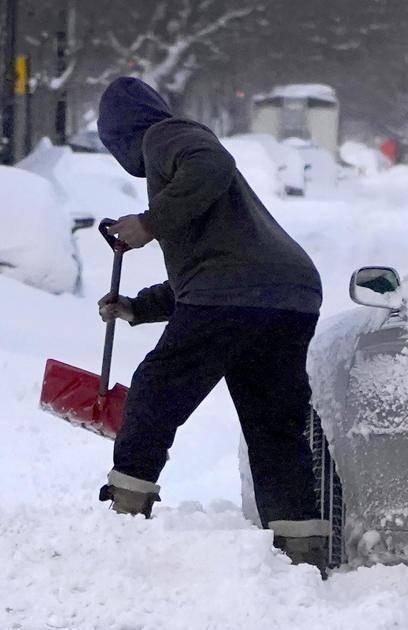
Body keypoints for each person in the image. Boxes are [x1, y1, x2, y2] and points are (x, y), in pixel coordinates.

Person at [94, 77, 329, 571]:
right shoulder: (179, 168)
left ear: (119, 133)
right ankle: (301, 551)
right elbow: (208, 271)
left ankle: (122, 521)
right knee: (273, 425)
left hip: (238, 294)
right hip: (288, 295)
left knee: (156, 389)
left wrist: (149, 222)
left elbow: (213, 164)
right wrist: (137, 307)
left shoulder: (166, 135)